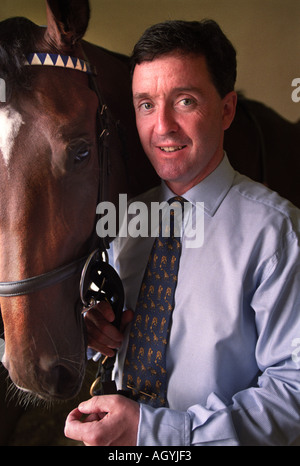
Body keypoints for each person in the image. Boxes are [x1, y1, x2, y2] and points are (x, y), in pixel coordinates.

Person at [64, 20, 300, 446]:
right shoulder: (124, 220)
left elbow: (294, 398)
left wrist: (152, 433)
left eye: (185, 101)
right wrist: (95, 335)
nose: (162, 127)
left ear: (226, 110)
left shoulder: (278, 234)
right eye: (146, 105)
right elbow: (110, 340)